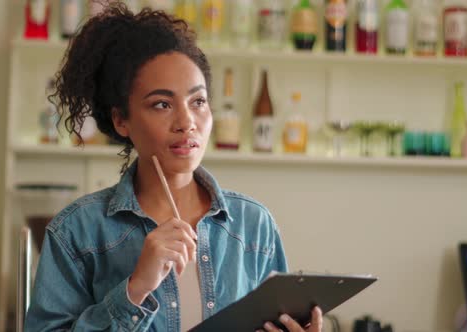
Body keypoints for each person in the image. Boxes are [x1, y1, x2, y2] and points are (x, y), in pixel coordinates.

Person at [24, 2, 322, 331]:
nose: (187, 122)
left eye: (198, 101)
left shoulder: (254, 226)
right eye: (162, 104)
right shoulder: (76, 232)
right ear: (121, 120)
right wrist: (135, 289)